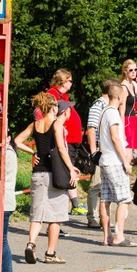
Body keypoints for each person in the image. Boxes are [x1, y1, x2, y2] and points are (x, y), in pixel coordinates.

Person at [15, 93, 78, 264]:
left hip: (37, 173)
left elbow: (17, 141)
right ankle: (50, 253)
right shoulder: (56, 125)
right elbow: (61, 149)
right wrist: (71, 169)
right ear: (53, 107)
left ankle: (31, 243)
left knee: (37, 214)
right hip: (54, 173)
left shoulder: (35, 124)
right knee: (55, 215)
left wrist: (32, 152)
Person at [0, 133, 33, 272]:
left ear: (9, 138)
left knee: (0, 240)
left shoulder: (7, 153)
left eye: (2, 137)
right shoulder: (3, 152)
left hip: (1, 202)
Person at [99, 83, 137, 247]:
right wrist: (125, 161)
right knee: (124, 199)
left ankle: (107, 236)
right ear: (119, 96)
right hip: (114, 161)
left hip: (105, 160)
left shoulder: (104, 112)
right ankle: (118, 236)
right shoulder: (112, 113)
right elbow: (115, 138)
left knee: (105, 199)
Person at [44, 69, 86, 217]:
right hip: (64, 139)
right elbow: (47, 114)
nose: (71, 83)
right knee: (66, 171)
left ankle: (74, 204)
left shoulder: (64, 95)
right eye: (69, 80)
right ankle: (67, 207)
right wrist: (61, 127)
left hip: (73, 139)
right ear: (62, 81)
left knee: (71, 169)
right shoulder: (52, 94)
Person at [84, 78, 120, 228]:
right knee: (96, 184)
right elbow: (91, 128)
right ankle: (91, 216)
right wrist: (94, 151)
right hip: (99, 149)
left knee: (106, 184)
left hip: (108, 150)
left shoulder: (110, 106)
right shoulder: (98, 105)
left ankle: (104, 217)